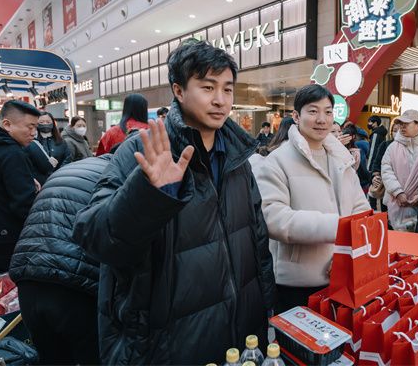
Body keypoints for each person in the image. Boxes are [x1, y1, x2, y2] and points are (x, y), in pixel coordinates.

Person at [73, 39, 275, 365]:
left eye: (227, 89)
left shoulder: (239, 157)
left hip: (243, 333)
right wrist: (148, 194)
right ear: (178, 91)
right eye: (208, 87)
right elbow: (94, 238)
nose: (220, 100)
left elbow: (257, 240)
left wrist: (266, 309)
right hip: (171, 343)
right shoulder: (142, 152)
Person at [254, 84, 370, 313]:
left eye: (328, 112)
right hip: (297, 283)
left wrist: (346, 254)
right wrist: (337, 226)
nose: (322, 119)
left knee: (341, 344)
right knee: (296, 347)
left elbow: (361, 209)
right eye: (313, 111)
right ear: (296, 116)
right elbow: (273, 218)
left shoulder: (341, 158)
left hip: (342, 273)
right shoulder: (277, 161)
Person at [9, 155, 111, 365]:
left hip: (29, 278)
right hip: (75, 285)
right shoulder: (118, 177)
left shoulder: (73, 168)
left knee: (52, 358)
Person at [0, 100, 41, 273]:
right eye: (30, 127)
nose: (34, 133)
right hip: (4, 237)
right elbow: (23, 204)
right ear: (7, 124)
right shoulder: (12, 153)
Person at [381, 110, 418, 231]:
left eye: (406, 124)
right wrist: (398, 192)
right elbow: (386, 171)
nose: (402, 127)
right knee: (398, 241)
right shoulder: (392, 147)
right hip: (398, 201)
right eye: (400, 123)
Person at [25, 111, 71, 185]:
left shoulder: (61, 142)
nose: (45, 124)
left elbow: (67, 159)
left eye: (48, 121)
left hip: (59, 179)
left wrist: (58, 173)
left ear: (53, 123)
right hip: (39, 182)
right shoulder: (32, 141)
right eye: (42, 122)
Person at [368, 122, 399, 213]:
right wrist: (374, 177)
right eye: (394, 131)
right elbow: (376, 164)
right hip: (385, 188)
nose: (396, 133)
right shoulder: (385, 145)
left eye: (399, 130)